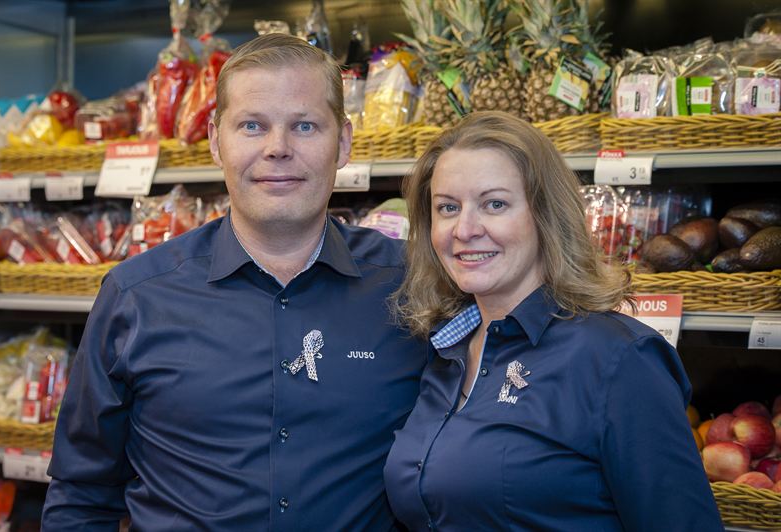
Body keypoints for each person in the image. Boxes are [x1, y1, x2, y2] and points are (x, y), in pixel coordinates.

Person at [42, 33, 427, 531]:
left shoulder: (414, 287)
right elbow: (81, 496)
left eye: (305, 125)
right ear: (215, 141)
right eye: (252, 126)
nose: (278, 148)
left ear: (344, 142)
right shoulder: (136, 297)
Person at [383, 111, 723, 531]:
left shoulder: (619, 360)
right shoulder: (443, 350)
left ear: (545, 215)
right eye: (447, 208)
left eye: (494, 204)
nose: (464, 229)